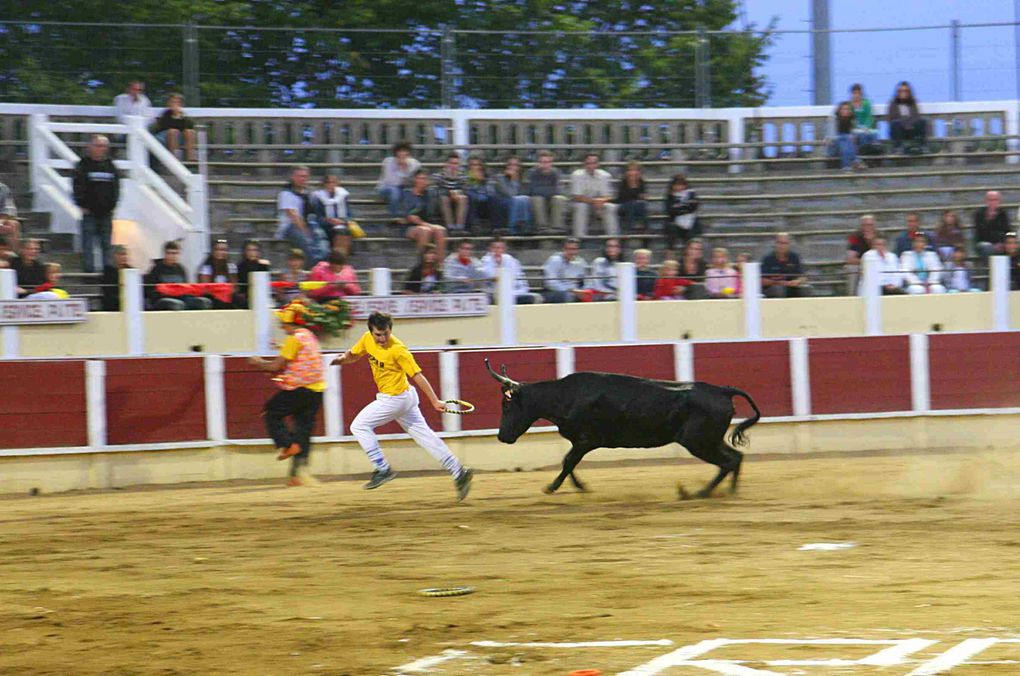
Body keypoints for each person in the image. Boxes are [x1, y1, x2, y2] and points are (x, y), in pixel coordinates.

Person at [331, 311, 474, 499]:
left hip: (394, 399)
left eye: (386, 334)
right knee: (426, 437)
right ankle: (459, 472)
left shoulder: (399, 349)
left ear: (391, 330)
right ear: (371, 332)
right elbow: (354, 354)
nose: (382, 339)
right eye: (378, 335)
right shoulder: (367, 338)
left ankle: (382, 468)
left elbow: (418, 376)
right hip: (404, 398)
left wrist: (434, 400)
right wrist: (342, 359)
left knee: (358, 426)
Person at [247, 300, 325, 487]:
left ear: (291, 323)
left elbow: (275, 365)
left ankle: (288, 445)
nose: (282, 326)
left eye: (284, 323)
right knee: (303, 430)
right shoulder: (309, 336)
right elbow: (295, 357)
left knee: (271, 412)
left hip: (299, 389)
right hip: (317, 390)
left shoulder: (293, 339)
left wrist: (257, 362)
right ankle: (298, 475)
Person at [73, 135, 120, 273]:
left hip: (106, 213)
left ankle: (107, 272)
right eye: (97, 145)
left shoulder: (111, 166)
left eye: (104, 146)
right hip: (89, 212)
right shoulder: (82, 166)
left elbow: (116, 189)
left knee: (106, 244)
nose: (101, 149)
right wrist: (81, 205)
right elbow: (77, 187)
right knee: (87, 244)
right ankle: (88, 272)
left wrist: (112, 206)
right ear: (90, 147)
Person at [276, 165, 325, 264]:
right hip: (290, 227)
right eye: (299, 176)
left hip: (309, 223)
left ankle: (322, 261)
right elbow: (293, 216)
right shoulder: (286, 194)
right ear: (292, 177)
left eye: (305, 176)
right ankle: (315, 264)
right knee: (305, 241)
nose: (302, 179)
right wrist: (306, 231)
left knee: (322, 237)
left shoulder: (311, 193)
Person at [144, 241, 213, 310]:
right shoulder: (156, 269)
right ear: (165, 254)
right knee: (176, 304)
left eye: (175, 253)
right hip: (163, 299)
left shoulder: (181, 269)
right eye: (169, 253)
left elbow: (186, 287)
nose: (172, 256)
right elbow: (149, 290)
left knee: (203, 302)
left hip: (181, 297)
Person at [480, 235, 540, 304]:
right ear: (490, 249)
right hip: (492, 294)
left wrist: (511, 294)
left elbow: (523, 286)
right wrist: (498, 264)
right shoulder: (485, 261)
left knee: (532, 298)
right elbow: (490, 275)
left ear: (504, 249)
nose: (497, 251)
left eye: (500, 248)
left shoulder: (513, 261)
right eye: (495, 248)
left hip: (513, 294)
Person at [570, 153, 618, 237]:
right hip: (583, 203)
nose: (591, 165)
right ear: (584, 164)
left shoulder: (605, 175)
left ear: (597, 164)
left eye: (594, 163)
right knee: (581, 207)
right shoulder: (577, 175)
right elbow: (576, 197)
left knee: (610, 207)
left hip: (598, 204)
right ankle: (580, 237)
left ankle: (613, 237)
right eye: (589, 163)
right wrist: (594, 201)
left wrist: (601, 201)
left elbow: (608, 195)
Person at [402, 170, 447, 259]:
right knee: (425, 230)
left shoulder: (429, 195)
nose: (422, 181)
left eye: (424, 179)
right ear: (415, 180)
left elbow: (430, 213)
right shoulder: (407, 194)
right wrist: (428, 225)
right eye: (419, 178)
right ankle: (422, 262)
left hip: (426, 223)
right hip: (409, 226)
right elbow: (411, 217)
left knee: (441, 230)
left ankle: (439, 263)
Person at [312, 174, 357, 254]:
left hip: (341, 225)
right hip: (326, 227)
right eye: (328, 182)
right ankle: (338, 258)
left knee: (343, 231)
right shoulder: (319, 197)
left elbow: (349, 215)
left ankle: (341, 258)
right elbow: (318, 217)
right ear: (324, 184)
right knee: (339, 232)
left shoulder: (343, 196)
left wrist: (343, 221)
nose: (330, 185)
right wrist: (329, 221)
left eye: (333, 182)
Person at [377, 142, 421, 219]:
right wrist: (399, 168)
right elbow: (390, 181)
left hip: (405, 188)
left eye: (405, 151)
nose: (402, 154)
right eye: (400, 151)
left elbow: (412, 181)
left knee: (411, 193)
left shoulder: (414, 163)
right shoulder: (388, 161)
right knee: (395, 191)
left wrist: (405, 168)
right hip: (386, 188)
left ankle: (410, 216)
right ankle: (394, 216)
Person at [526, 150, 566, 233]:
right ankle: (542, 227)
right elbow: (532, 191)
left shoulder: (556, 172)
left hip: (552, 199)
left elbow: (559, 190)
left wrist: (543, 190)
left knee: (559, 198)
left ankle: (557, 227)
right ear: (538, 163)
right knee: (537, 198)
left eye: (548, 162)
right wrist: (549, 190)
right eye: (543, 162)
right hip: (537, 200)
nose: (545, 165)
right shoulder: (532, 173)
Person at [490, 156, 532, 234]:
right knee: (516, 200)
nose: (512, 167)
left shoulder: (524, 180)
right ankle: (512, 227)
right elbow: (511, 194)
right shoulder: (499, 178)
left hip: (520, 204)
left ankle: (525, 226)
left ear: (519, 167)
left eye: (515, 165)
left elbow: (526, 193)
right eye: (510, 165)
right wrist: (513, 179)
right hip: (503, 202)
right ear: (506, 166)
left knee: (525, 200)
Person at [761, 232, 810, 298]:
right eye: (779, 243)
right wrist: (779, 283)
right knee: (778, 290)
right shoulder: (767, 259)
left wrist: (798, 281)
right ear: (775, 243)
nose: (782, 246)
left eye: (785, 243)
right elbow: (762, 280)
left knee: (806, 289)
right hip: (773, 287)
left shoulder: (794, 257)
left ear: (789, 244)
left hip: (791, 287)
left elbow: (803, 277)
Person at [150, 93, 196, 162]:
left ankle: (190, 157)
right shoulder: (166, 114)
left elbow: (190, 126)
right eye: (173, 102)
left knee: (189, 132)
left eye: (177, 102)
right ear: (169, 103)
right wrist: (174, 116)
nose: (175, 104)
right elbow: (165, 126)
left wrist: (179, 116)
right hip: (166, 136)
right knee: (173, 131)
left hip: (179, 137)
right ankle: (173, 158)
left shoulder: (183, 115)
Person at [542, 237, 588, 303]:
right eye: (569, 249)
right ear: (563, 249)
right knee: (567, 296)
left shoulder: (581, 262)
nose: (572, 252)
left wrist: (584, 291)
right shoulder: (555, 260)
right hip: (555, 292)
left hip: (575, 291)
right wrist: (570, 290)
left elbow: (586, 280)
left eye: (574, 249)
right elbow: (551, 283)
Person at [663, 174, 701, 253]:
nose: (679, 187)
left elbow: (693, 207)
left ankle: (689, 253)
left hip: (690, 223)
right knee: (671, 228)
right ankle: (670, 253)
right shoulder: (670, 196)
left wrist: (679, 209)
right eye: (677, 185)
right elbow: (670, 211)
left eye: (681, 185)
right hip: (675, 224)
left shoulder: (691, 194)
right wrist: (684, 208)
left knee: (692, 232)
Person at [888, 81, 928, 154]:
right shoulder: (893, 104)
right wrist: (905, 123)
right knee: (895, 123)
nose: (903, 93)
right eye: (901, 91)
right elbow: (892, 118)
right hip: (899, 130)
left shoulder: (913, 103)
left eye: (905, 91)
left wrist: (909, 124)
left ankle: (923, 146)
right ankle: (898, 148)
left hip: (911, 129)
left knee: (922, 121)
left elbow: (916, 116)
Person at [197, 239, 239, 308]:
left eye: (224, 250)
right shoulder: (206, 268)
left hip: (227, 295)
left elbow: (234, 286)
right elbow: (204, 288)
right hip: (212, 296)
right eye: (218, 249)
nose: (221, 252)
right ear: (213, 251)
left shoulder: (231, 267)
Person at [432, 152, 468, 231]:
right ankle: (450, 227)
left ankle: (459, 227)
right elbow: (436, 191)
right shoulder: (439, 176)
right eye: (451, 163)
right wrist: (449, 193)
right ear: (447, 164)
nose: (453, 166)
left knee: (463, 198)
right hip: (442, 202)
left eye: (456, 164)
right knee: (444, 199)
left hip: (457, 200)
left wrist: (457, 193)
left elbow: (465, 190)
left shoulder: (462, 176)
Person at [235, 240, 272, 309]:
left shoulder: (263, 266)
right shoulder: (240, 266)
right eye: (249, 250)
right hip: (246, 296)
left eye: (255, 250)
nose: (252, 253)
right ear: (245, 252)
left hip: (261, 295)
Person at [974, 191, 1011, 258]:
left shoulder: (1003, 213)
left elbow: (1007, 231)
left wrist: (1003, 243)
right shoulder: (979, 214)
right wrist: (989, 220)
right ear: (986, 201)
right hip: (983, 242)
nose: (993, 202)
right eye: (991, 200)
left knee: (1011, 246)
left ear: (999, 201)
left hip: (1000, 242)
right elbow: (981, 234)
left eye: (996, 200)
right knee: (987, 248)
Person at [615, 161, 648, 232]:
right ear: (627, 172)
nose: (632, 172)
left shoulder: (641, 182)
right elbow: (623, 197)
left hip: (637, 205)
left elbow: (642, 196)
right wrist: (632, 184)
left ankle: (645, 230)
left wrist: (640, 196)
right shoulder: (623, 182)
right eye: (630, 170)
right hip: (624, 205)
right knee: (631, 204)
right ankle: (630, 228)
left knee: (643, 205)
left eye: (635, 170)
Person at [832, 101, 863, 171]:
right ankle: (855, 160)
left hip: (846, 146)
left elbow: (856, 133)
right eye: (843, 109)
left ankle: (846, 165)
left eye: (847, 109)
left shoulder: (852, 120)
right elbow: (831, 138)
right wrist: (846, 136)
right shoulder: (834, 119)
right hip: (834, 146)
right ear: (839, 110)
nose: (845, 111)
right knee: (846, 138)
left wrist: (853, 136)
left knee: (846, 141)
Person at [101, 245, 132, 311]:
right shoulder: (108, 270)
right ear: (114, 256)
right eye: (120, 254)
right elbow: (107, 289)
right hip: (113, 301)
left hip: (129, 301)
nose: (123, 257)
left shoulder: (131, 270)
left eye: (125, 254)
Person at [849, 83, 879, 152]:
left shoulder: (866, 103)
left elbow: (869, 117)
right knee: (861, 135)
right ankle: (864, 152)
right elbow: (850, 119)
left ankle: (871, 152)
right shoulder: (850, 105)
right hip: (855, 129)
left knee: (871, 134)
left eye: (858, 93)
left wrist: (866, 127)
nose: (856, 95)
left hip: (867, 128)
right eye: (854, 93)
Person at [464, 156, 491, 231]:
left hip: (485, 204)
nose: (475, 167)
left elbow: (491, 193)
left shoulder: (487, 178)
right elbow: (464, 191)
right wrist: (471, 180)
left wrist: (483, 181)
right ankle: (474, 225)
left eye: (477, 165)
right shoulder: (465, 178)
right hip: (472, 203)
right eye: (473, 165)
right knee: (471, 197)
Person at [0, 181, 19, 252]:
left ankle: (14, 258)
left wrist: (1, 222)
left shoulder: (2, 188)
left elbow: (8, 209)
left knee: (13, 224)